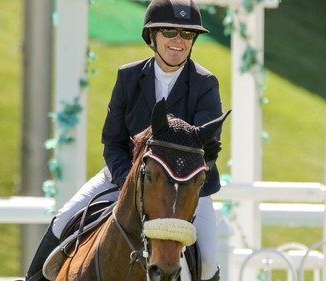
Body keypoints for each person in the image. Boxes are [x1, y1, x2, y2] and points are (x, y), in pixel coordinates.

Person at [25, 0, 223, 280]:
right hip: (125, 174)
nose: (178, 40)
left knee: (208, 259)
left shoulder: (205, 83)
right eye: (169, 31)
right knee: (63, 221)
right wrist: (128, 183)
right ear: (152, 36)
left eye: (187, 34)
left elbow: (203, 146)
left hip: (185, 186)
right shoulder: (128, 76)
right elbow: (113, 141)